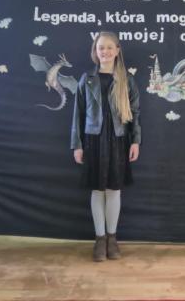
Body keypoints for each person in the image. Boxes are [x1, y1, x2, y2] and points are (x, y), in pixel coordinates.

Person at [71, 31, 141, 262]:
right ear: (95, 51)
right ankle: (99, 239)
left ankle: (112, 238)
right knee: (97, 190)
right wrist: (77, 145)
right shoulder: (87, 79)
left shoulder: (126, 80)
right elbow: (78, 115)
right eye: (101, 47)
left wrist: (135, 141)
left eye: (110, 47)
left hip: (118, 139)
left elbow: (135, 114)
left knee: (113, 190)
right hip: (93, 139)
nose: (105, 51)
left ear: (118, 50)